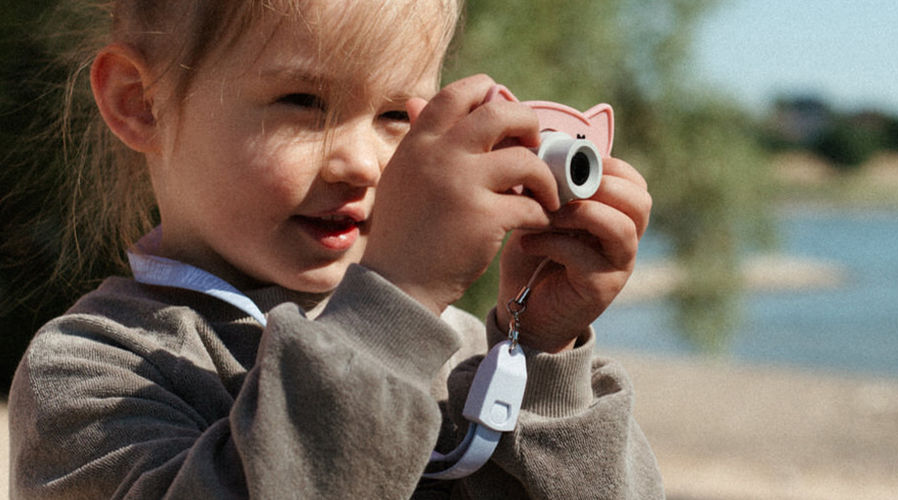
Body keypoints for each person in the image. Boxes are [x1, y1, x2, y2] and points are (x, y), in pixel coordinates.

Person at [8, 0, 664, 498]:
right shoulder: (93, 371)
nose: (361, 164)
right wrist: (397, 301)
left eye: (396, 116)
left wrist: (538, 355)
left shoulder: (454, 347)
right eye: (302, 101)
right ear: (140, 103)